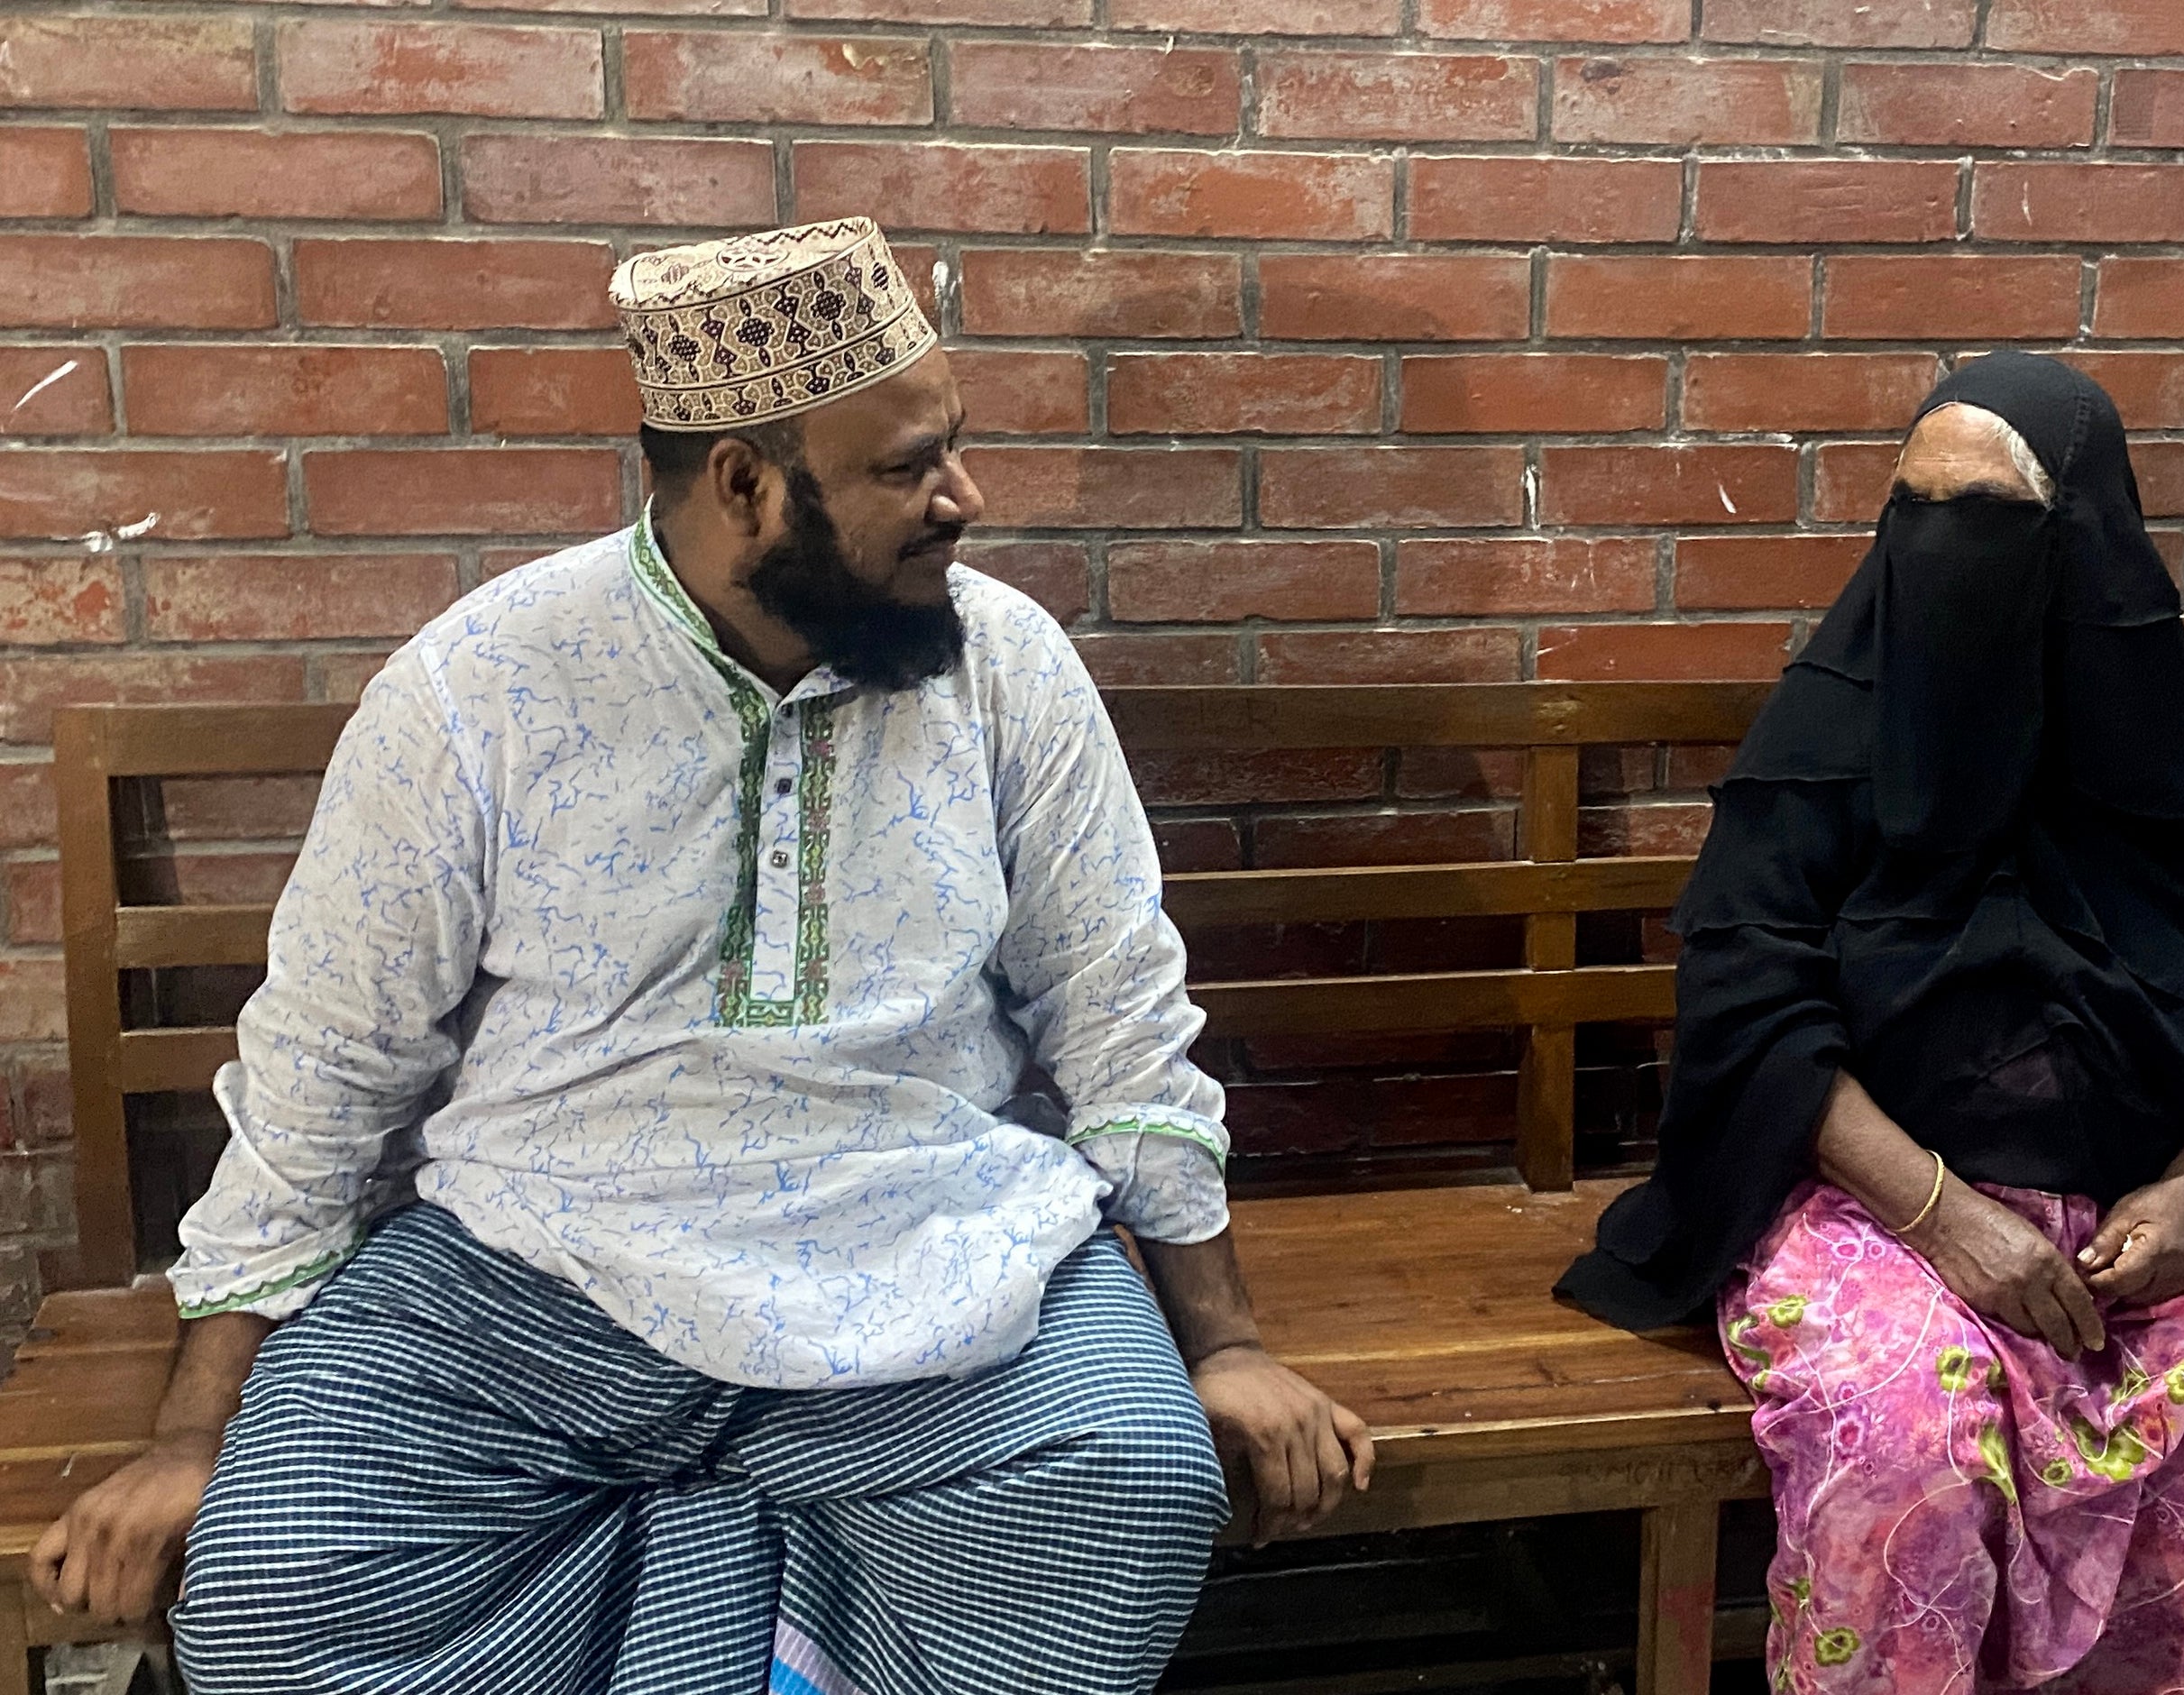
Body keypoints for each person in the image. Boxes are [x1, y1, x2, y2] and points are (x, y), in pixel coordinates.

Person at [29, 219, 1372, 1695]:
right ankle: (758, 1605)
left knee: (1124, 1487)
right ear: (744, 483)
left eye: (956, 450)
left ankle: (722, 1600)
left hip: (932, 1256)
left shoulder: (1008, 669)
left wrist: (1224, 1344)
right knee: (282, 1576)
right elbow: (324, 1067)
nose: (962, 499)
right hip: (540, 1270)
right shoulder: (476, 688)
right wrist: (188, 1442)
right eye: (905, 466)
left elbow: (1120, 1014)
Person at [1560, 353, 2184, 1693]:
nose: (1939, 551)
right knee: (1905, 1444)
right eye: (1915, 509)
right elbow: (1750, 1004)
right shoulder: (1834, 723)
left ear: (2081, 544)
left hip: (2148, 1217)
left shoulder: (2171, 754)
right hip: (1873, 1199)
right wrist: (1939, 1212)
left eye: (1987, 518)